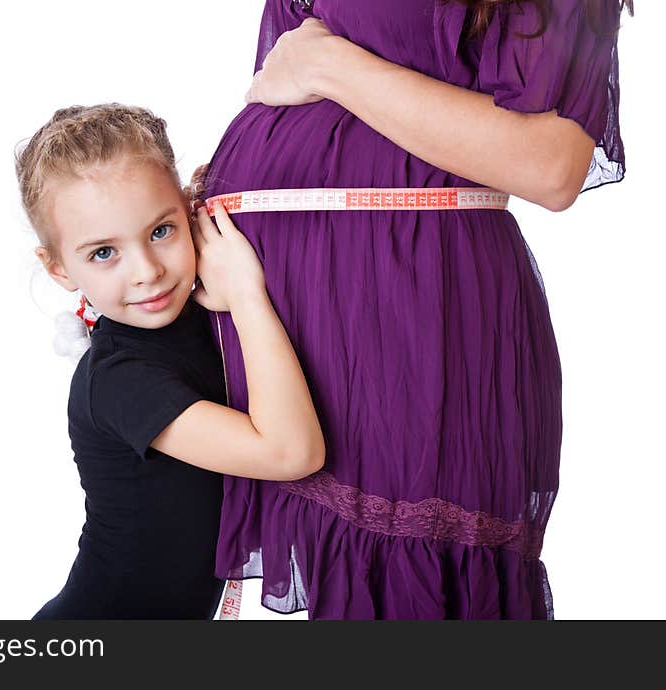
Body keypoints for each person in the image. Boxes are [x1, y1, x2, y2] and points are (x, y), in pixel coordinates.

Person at [199, 0, 632, 619]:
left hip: (411, 314)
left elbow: (551, 163)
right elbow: (283, 85)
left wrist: (330, 66)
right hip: (278, 315)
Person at [14, 104, 325, 619]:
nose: (147, 272)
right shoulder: (117, 380)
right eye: (102, 253)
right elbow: (291, 454)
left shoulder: (201, 311)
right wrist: (248, 296)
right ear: (58, 268)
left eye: (161, 232)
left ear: (190, 211)